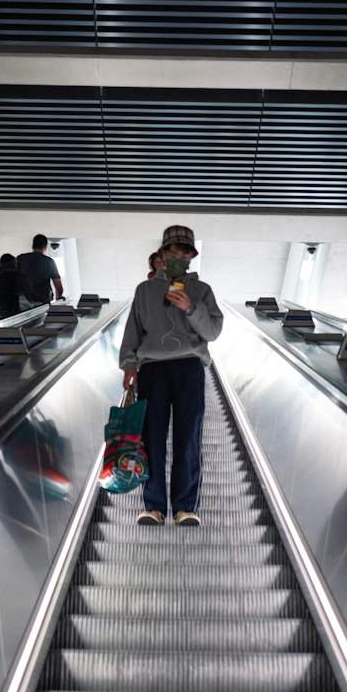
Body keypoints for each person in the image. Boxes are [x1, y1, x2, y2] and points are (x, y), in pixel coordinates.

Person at [120, 224, 223, 526]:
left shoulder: (202, 291)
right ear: (162, 254)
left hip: (190, 366)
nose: (179, 256)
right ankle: (153, 506)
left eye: (184, 252)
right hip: (152, 368)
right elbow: (133, 331)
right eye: (173, 251)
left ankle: (184, 507)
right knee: (152, 438)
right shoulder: (146, 290)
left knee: (188, 437)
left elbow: (213, 332)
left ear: (192, 255)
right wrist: (128, 365)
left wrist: (192, 308)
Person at [16, 233, 64, 308]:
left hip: (22, 300)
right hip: (41, 300)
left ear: (32, 246)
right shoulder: (49, 262)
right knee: (40, 319)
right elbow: (58, 286)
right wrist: (58, 298)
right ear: (45, 247)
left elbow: (12, 278)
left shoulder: (20, 259)